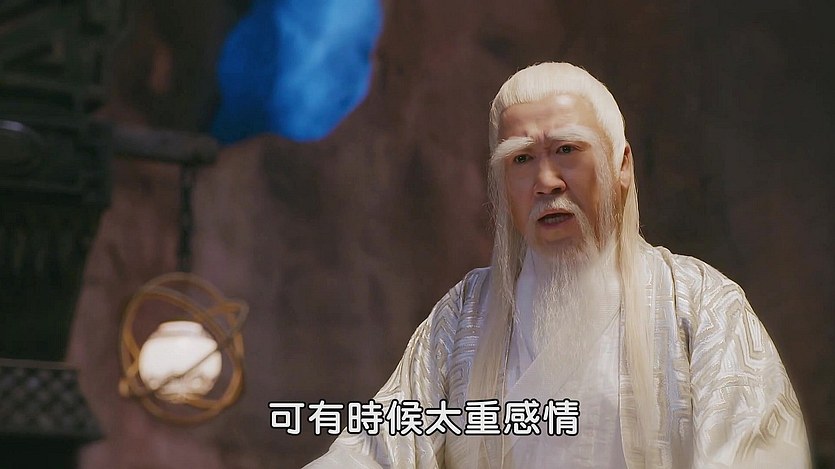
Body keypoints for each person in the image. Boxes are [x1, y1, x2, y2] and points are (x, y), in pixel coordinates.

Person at [303, 62, 810, 468]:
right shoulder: (465, 317)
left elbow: (757, 454)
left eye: (567, 150)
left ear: (622, 165)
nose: (546, 181)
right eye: (522, 159)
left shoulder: (700, 305)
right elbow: (374, 451)